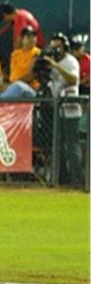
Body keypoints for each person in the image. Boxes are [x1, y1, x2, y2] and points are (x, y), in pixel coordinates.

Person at [43, 33, 83, 187]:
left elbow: (73, 80)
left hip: (71, 108)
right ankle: (62, 179)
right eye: (53, 46)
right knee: (58, 145)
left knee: (72, 145)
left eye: (58, 46)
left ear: (65, 47)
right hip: (57, 108)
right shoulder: (53, 62)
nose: (55, 50)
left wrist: (55, 66)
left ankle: (78, 181)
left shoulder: (70, 61)